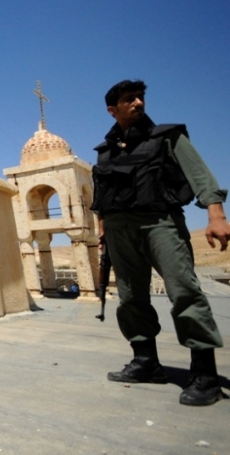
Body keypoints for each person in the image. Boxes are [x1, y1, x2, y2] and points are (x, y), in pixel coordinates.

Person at [91, 79, 230, 406]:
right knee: (130, 298)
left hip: (160, 223)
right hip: (118, 230)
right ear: (113, 109)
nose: (138, 103)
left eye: (140, 97)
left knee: (184, 290)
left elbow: (200, 176)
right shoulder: (105, 151)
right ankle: (145, 362)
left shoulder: (167, 137)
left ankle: (205, 375)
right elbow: (100, 198)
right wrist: (103, 232)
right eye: (129, 99)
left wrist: (216, 216)